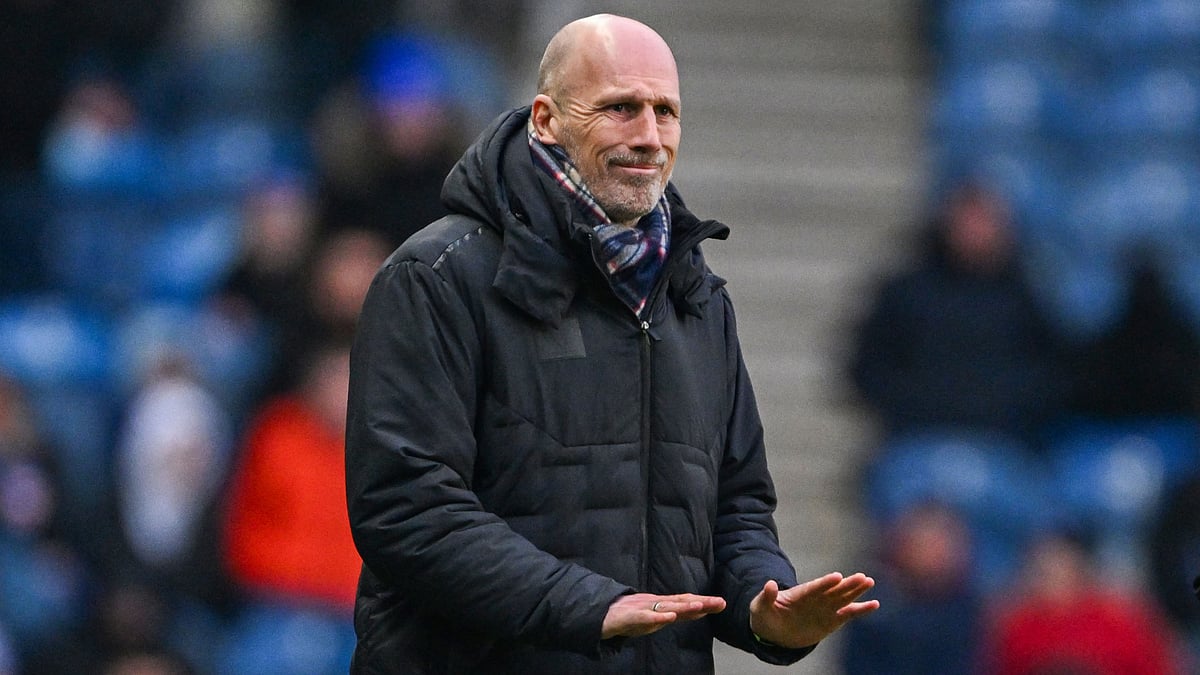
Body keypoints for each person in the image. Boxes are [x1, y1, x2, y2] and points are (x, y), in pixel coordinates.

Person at [345, 13, 878, 674]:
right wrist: (589, 607)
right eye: (621, 108)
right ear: (546, 119)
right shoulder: (435, 278)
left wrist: (763, 606)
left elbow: (736, 508)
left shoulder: (699, 299)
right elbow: (408, 509)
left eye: (666, 112)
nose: (649, 136)